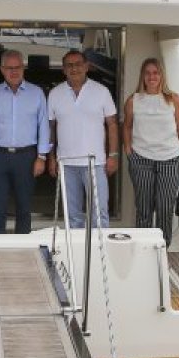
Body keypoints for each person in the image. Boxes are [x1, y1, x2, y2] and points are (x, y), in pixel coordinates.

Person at [0, 50, 50, 234]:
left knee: (24, 207)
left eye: (17, 67)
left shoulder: (36, 93)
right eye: (9, 68)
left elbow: (43, 126)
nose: (14, 71)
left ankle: (23, 244)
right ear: (2, 69)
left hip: (27, 156)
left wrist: (42, 157)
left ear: (23, 68)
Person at [123, 57, 179, 247]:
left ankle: (162, 251)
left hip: (170, 161)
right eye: (147, 73)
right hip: (141, 161)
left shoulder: (174, 100)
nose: (151, 77)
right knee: (143, 209)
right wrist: (129, 151)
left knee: (165, 209)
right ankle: (143, 250)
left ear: (162, 75)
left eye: (156, 73)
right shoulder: (133, 101)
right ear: (142, 76)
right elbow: (126, 127)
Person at [48, 49, 118, 228]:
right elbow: (51, 128)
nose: (74, 69)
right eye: (69, 65)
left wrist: (113, 155)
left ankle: (99, 247)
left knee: (99, 215)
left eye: (78, 64)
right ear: (63, 69)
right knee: (72, 217)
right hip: (66, 163)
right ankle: (76, 247)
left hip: (95, 163)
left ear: (87, 66)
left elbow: (112, 124)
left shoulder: (101, 91)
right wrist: (51, 158)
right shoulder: (55, 93)